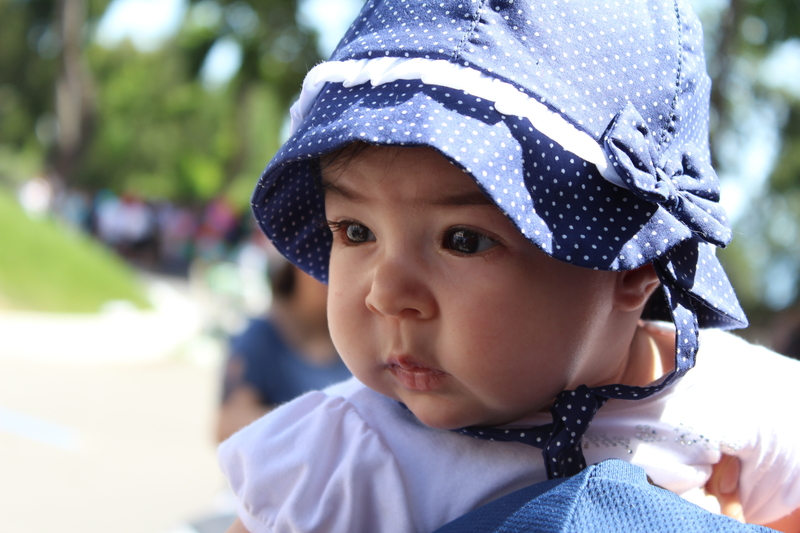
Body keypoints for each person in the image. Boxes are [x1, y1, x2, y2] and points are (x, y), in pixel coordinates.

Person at [218, 0, 800, 531]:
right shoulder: (341, 460)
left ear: (634, 262)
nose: (385, 293)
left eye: (463, 240)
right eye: (356, 231)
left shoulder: (737, 406)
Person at [216, 256, 351, 442]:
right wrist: (322, 424)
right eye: (321, 260)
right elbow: (227, 424)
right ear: (295, 262)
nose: (330, 275)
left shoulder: (361, 339)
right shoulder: (260, 335)